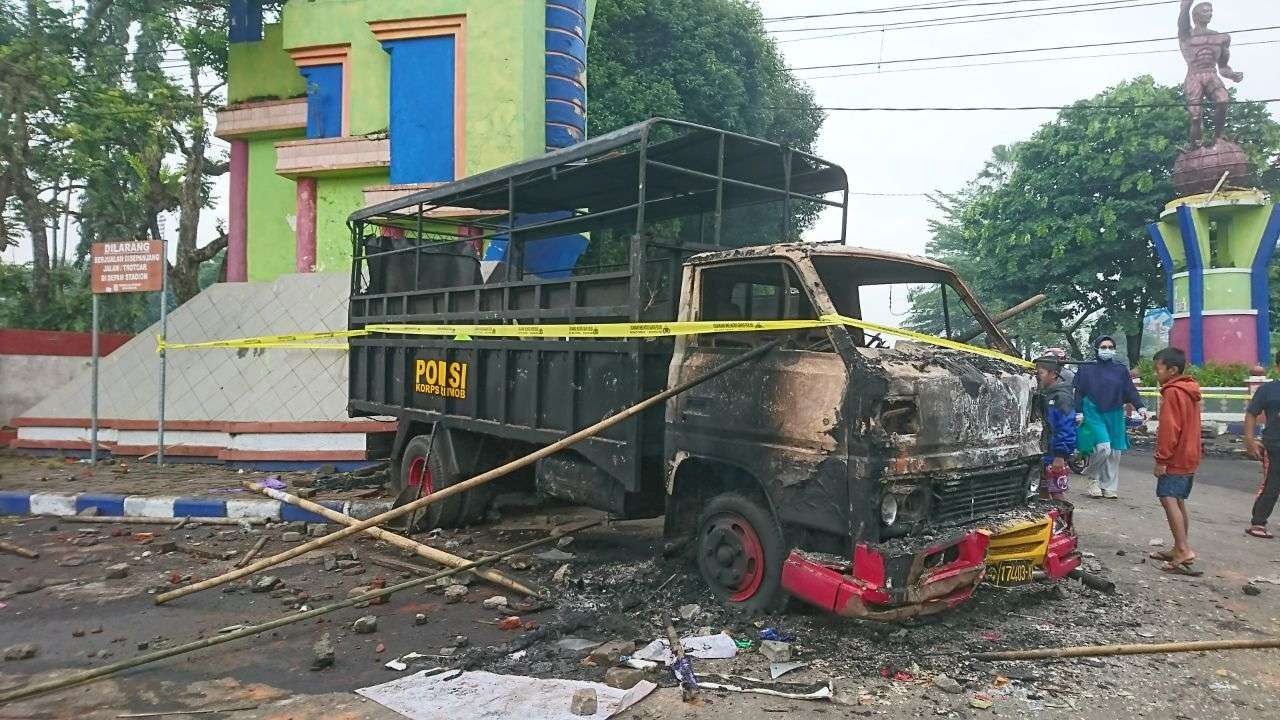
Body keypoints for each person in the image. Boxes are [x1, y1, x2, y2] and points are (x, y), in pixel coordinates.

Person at [1150, 347, 1203, 575]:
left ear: (1172, 370)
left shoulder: (1172, 392)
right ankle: (1179, 546)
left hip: (1176, 456)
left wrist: (1162, 459)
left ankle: (1182, 549)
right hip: (1190, 454)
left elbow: (1169, 429)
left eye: (1158, 369)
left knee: (1168, 498)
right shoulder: (1190, 390)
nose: (1156, 374)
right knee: (1178, 500)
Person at [1074, 336, 1147, 498]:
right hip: (1092, 411)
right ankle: (1093, 478)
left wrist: (1140, 407)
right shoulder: (1086, 368)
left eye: (1110, 347)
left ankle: (1108, 486)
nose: (1107, 350)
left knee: (1114, 452)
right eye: (1103, 347)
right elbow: (1078, 392)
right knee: (1103, 448)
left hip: (1114, 411)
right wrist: (1078, 412)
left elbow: (1130, 391)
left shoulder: (1120, 369)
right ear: (1096, 348)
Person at [1178, 0, 1244, 148]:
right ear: (1195, 16)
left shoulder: (1221, 38)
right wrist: (1187, 3)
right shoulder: (1186, 35)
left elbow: (1223, 67)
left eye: (1211, 11)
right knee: (1195, 116)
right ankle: (1196, 144)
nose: (1210, 14)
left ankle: (1218, 136)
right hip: (1194, 76)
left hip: (1211, 74)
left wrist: (1233, 75)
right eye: (1205, 11)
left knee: (1223, 100)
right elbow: (1183, 14)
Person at [1243, 351, 1280, 539]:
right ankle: (1258, 522)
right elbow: (1251, 413)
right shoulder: (1268, 390)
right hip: (1274, 444)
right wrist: (1249, 440)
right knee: (1272, 484)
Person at [1035, 354, 1076, 501]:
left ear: (1053, 375)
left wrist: (1060, 456)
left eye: (1040, 373)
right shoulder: (1042, 395)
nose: (1037, 377)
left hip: (1055, 456)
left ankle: (1064, 521)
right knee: (1042, 492)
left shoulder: (1061, 398)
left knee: (1057, 493)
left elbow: (1067, 428)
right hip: (1043, 455)